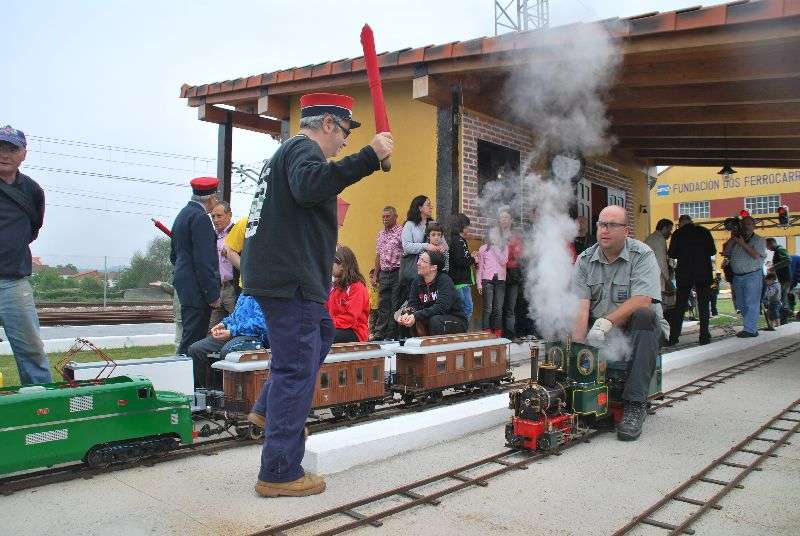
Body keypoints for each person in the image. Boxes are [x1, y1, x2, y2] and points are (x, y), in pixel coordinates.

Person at [241, 92, 393, 498]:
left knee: (321, 334)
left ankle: (266, 411)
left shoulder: (288, 153)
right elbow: (311, 186)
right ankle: (279, 471)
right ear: (328, 124)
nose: (345, 140)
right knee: (296, 371)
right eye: (344, 131)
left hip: (283, 276)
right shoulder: (304, 150)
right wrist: (369, 156)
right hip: (293, 280)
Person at [571, 205, 668, 441]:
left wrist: (606, 322)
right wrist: (577, 351)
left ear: (626, 230)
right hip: (603, 331)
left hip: (641, 329)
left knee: (645, 316)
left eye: (612, 225)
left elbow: (643, 300)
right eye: (601, 225)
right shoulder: (584, 260)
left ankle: (635, 405)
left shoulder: (642, 255)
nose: (605, 230)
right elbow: (581, 308)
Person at [0, 125, 51, 385]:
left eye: (12, 149)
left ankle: (41, 407)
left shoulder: (32, 191)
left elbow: (33, 228)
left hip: (13, 283)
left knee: (31, 351)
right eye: (0, 148)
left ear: (23, 154)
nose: (4, 154)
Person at [170, 177, 221, 355]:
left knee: (189, 335)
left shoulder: (183, 215)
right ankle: (186, 377)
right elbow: (204, 261)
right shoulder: (201, 219)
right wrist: (212, 295)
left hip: (186, 285)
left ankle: (182, 372)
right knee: (194, 341)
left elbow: (174, 255)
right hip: (197, 290)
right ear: (211, 198)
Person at [187, 294, 269, 390]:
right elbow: (235, 316)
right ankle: (206, 391)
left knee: (227, 352)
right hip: (234, 333)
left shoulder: (263, 293)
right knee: (196, 349)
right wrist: (223, 324)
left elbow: (261, 324)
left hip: (254, 337)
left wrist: (232, 331)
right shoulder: (244, 293)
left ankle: (225, 392)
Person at [666, 214, 716, 345]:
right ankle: (704, 336)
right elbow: (712, 251)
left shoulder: (678, 234)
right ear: (691, 221)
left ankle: (674, 337)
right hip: (703, 273)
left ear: (681, 223)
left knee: (680, 306)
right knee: (704, 305)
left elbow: (672, 253)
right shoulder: (704, 231)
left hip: (685, 273)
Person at [397, 250, 467, 336]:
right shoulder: (416, 282)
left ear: (433, 267)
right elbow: (412, 305)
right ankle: (408, 348)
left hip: (454, 320)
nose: (418, 263)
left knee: (435, 320)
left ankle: (438, 349)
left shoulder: (445, 280)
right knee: (405, 320)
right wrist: (406, 314)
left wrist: (416, 315)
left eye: (423, 261)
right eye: (419, 259)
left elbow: (441, 307)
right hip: (430, 318)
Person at [722, 216, 766, 338]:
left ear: (754, 226)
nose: (745, 227)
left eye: (748, 224)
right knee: (741, 304)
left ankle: (750, 329)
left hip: (752, 275)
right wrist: (733, 239)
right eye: (743, 224)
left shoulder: (759, 240)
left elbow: (756, 256)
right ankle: (750, 327)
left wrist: (742, 243)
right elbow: (726, 253)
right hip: (738, 276)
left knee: (751, 302)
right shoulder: (736, 239)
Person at [396, 195, 435, 316]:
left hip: (429, 270)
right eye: (428, 204)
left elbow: (441, 242)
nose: (431, 207)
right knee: (412, 302)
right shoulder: (410, 224)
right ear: (419, 208)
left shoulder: (432, 224)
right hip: (413, 269)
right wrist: (425, 246)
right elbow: (406, 246)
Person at [327, 245, 370, 343]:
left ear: (342, 265)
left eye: (332, 262)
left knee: (324, 336)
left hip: (355, 332)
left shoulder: (357, 287)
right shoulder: (334, 288)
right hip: (335, 327)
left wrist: (326, 324)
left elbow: (350, 318)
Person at [371, 205, 402, 340]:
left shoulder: (401, 231)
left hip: (397, 271)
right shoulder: (380, 234)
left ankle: (392, 333)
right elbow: (378, 255)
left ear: (395, 217)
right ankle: (380, 332)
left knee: (395, 303)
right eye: (383, 217)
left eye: (387, 216)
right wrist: (376, 274)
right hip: (384, 273)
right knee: (383, 303)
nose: (384, 219)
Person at [475, 229, 509, 337]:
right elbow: (479, 269)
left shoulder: (504, 247)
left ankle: (497, 332)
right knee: (488, 308)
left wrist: (495, 248)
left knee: (498, 308)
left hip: (500, 281)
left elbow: (503, 261)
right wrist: (479, 284)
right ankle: (486, 331)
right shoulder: (483, 249)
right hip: (487, 280)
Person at [209, 201, 237, 328]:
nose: (215, 220)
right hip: (218, 288)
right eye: (213, 217)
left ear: (229, 215)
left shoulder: (237, 232)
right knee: (212, 328)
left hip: (233, 287)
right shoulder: (213, 236)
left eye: (219, 216)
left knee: (236, 324)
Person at [499, 208, 524, 339]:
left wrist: (510, 247)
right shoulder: (495, 235)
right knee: (498, 306)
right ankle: (499, 333)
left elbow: (519, 254)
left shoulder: (516, 237)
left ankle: (510, 333)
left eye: (506, 218)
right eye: (502, 218)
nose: (504, 220)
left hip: (512, 272)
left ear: (511, 221)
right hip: (498, 273)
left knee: (510, 307)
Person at [448, 213, 476, 325]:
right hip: (460, 281)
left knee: (464, 308)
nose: (468, 229)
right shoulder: (458, 241)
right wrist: (473, 259)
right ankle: (462, 329)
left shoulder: (460, 240)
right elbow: (460, 261)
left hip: (461, 281)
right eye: (467, 226)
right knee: (467, 308)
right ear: (461, 227)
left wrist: (470, 256)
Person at [149, 279, 182, 348]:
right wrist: (163, 285)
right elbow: (174, 290)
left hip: (190, 315)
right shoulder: (180, 277)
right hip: (180, 316)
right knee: (179, 342)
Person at [766, 238, 791, 324]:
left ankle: (783, 320)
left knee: (782, 299)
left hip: (785, 278)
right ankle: (783, 320)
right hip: (783, 278)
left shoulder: (780, 250)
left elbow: (787, 260)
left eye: (767, 245)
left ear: (772, 243)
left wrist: (774, 267)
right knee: (783, 298)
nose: (767, 248)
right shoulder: (777, 251)